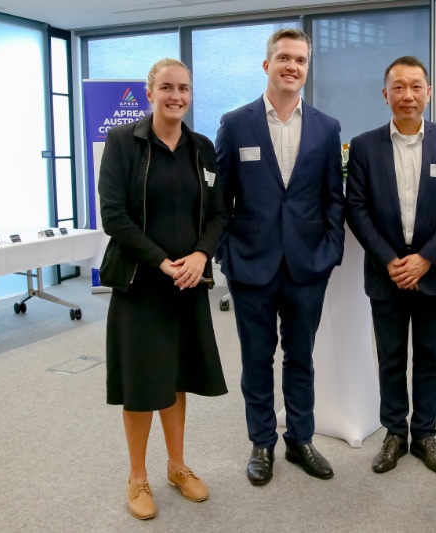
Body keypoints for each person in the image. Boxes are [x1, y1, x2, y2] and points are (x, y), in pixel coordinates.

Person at [98, 58, 228, 520]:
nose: (177, 96)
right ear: (150, 92)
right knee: (141, 383)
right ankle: (137, 477)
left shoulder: (202, 148)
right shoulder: (122, 142)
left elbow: (219, 214)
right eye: (168, 88)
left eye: (184, 88)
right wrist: (160, 261)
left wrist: (200, 256)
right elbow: (113, 215)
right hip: (140, 282)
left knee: (178, 377)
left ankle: (177, 466)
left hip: (187, 282)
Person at [214, 28, 345, 486]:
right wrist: (225, 251)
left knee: (301, 358)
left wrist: (331, 251)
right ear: (267, 64)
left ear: (307, 68)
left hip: (308, 265)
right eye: (285, 58)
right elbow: (220, 198)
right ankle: (262, 443)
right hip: (251, 264)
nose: (293, 66)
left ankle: (300, 439)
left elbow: (333, 198)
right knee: (256, 359)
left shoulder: (327, 127)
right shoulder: (236, 123)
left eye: (301, 60)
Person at [345, 56, 436, 476]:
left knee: (430, 358)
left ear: (429, 93)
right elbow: (356, 208)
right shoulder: (364, 146)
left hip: (434, 273)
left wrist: (425, 259)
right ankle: (395, 433)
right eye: (398, 87)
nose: (407, 95)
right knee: (391, 358)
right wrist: (391, 261)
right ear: (385, 95)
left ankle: (426, 435)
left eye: (416, 86)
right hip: (387, 274)